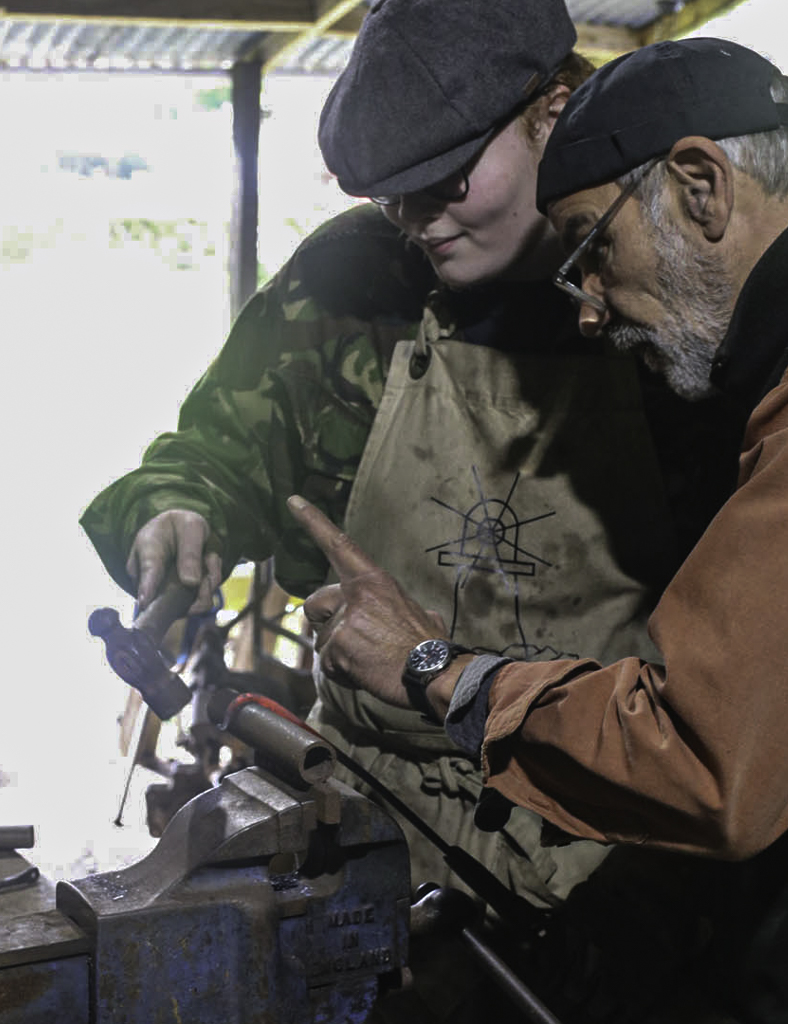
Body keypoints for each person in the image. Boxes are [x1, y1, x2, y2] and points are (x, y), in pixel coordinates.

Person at [81, 5, 738, 1017]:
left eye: (445, 179)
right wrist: (178, 511)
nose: (416, 217)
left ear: (550, 110)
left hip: (604, 862)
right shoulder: (350, 280)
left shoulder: (675, 297)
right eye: (392, 194)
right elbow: (218, 452)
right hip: (357, 827)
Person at [289, 36, 788, 1022]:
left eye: (594, 250)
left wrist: (434, 669)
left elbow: (705, 758)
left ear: (699, 186)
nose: (587, 311)